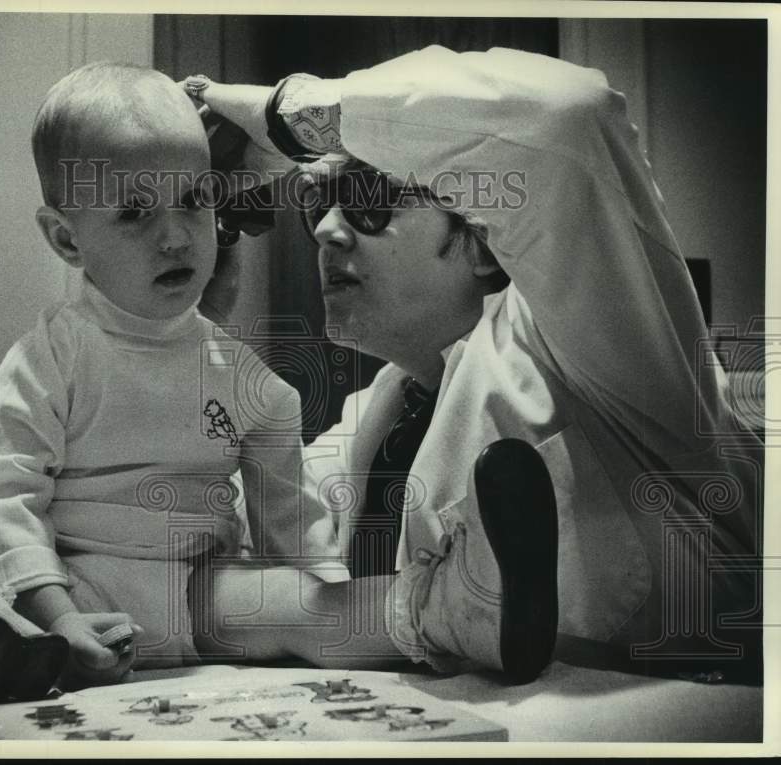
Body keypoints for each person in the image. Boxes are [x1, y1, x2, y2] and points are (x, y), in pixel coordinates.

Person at [183, 45, 762, 678]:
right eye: (319, 204)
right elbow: (189, 550)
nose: (326, 230)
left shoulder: (599, 352)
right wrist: (189, 321)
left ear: (484, 244)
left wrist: (287, 121)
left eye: (369, 196)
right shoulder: (376, 418)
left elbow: (566, 116)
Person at [0, 61, 333, 712]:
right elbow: (6, 493)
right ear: (65, 238)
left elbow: (295, 530)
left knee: (300, 596)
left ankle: (427, 615)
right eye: (134, 212)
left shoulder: (252, 383)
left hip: (188, 595)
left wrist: (318, 593)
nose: (173, 235)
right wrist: (56, 615)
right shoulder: (48, 359)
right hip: (48, 588)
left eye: (192, 201)